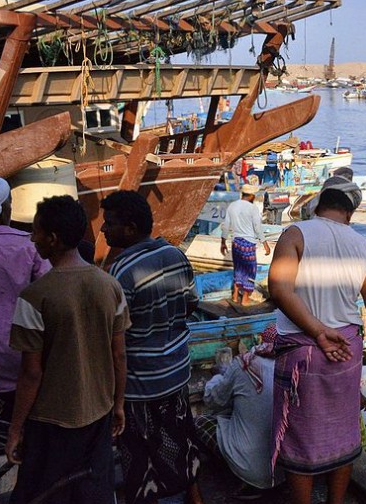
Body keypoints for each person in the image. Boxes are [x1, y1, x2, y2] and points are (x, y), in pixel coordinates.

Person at [268, 176, 366, 504]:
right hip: (347, 350)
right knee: (343, 431)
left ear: (318, 204)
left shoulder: (295, 233)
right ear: (350, 213)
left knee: (300, 435)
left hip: (304, 352)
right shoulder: (363, 247)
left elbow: (278, 288)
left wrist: (316, 331)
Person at [7, 195, 129, 504]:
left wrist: (15, 429)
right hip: (98, 412)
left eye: (36, 232)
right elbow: (119, 355)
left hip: (51, 421)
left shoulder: (34, 296)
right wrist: (118, 404)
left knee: (46, 494)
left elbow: (31, 373)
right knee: (92, 492)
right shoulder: (109, 285)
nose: (32, 239)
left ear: (53, 239)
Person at [100, 190, 203, 504]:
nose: (103, 230)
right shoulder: (175, 255)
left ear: (130, 229)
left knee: (139, 453)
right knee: (181, 438)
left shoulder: (121, 272)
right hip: (176, 372)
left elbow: (115, 339)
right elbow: (189, 305)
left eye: (110, 224)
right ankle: (194, 496)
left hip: (140, 383)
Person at [0, 176, 50, 504]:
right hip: (21, 365)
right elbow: (52, 298)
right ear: (4, 209)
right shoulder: (29, 247)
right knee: (26, 437)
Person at [194, 327, 281, 499]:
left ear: (262, 342)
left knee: (198, 422)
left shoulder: (244, 364)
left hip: (251, 469)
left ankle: (239, 476)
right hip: (287, 471)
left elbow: (213, 399)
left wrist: (219, 376)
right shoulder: (294, 368)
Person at [221, 185, 271, 306]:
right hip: (248, 243)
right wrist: (265, 244)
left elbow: (226, 225)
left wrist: (223, 242)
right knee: (249, 270)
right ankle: (245, 299)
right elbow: (258, 228)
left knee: (238, 268)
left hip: (236, 242)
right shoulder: (252, 208)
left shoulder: (232, 206)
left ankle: (235, 295)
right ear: (252, 196)